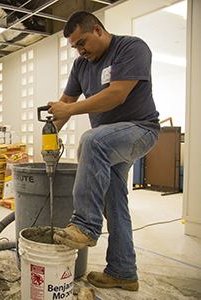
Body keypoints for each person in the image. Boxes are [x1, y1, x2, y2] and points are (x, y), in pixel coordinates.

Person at [48, 11, 160, 291]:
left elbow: (116, 94)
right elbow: (64, 103)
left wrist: (70, 109)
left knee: (91, 140)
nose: (80, 50)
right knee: (114, 202)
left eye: (82, 42)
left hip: (140, 130)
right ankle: (123, 271)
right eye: (75, 46)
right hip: (111, 141)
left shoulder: (131, 47)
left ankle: (85, 225)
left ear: (98, 30)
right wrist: (49, 135)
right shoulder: (80, 66)